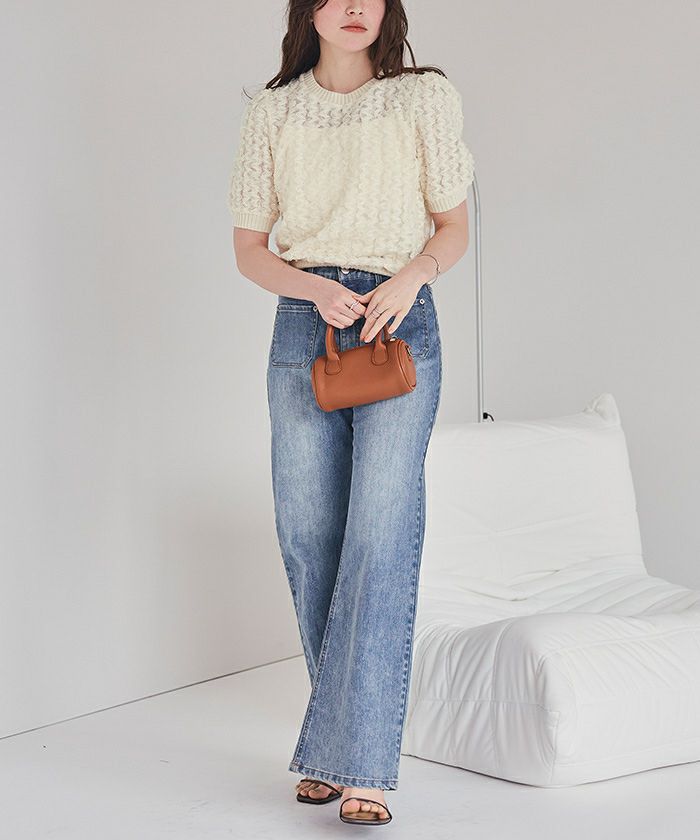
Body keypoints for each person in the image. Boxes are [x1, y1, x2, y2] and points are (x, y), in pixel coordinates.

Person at [227, 0, 474, 826]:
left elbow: (453, 226)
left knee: (380, 534)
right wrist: (314, 289)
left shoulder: (423, 97)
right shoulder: (275, 111)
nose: (355, 6)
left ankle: (360, 767)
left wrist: (411, 277)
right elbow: (249, 249)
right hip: (308, 327)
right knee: (310, 536)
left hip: (400, 322)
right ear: (310, 10)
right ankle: (341, 744)